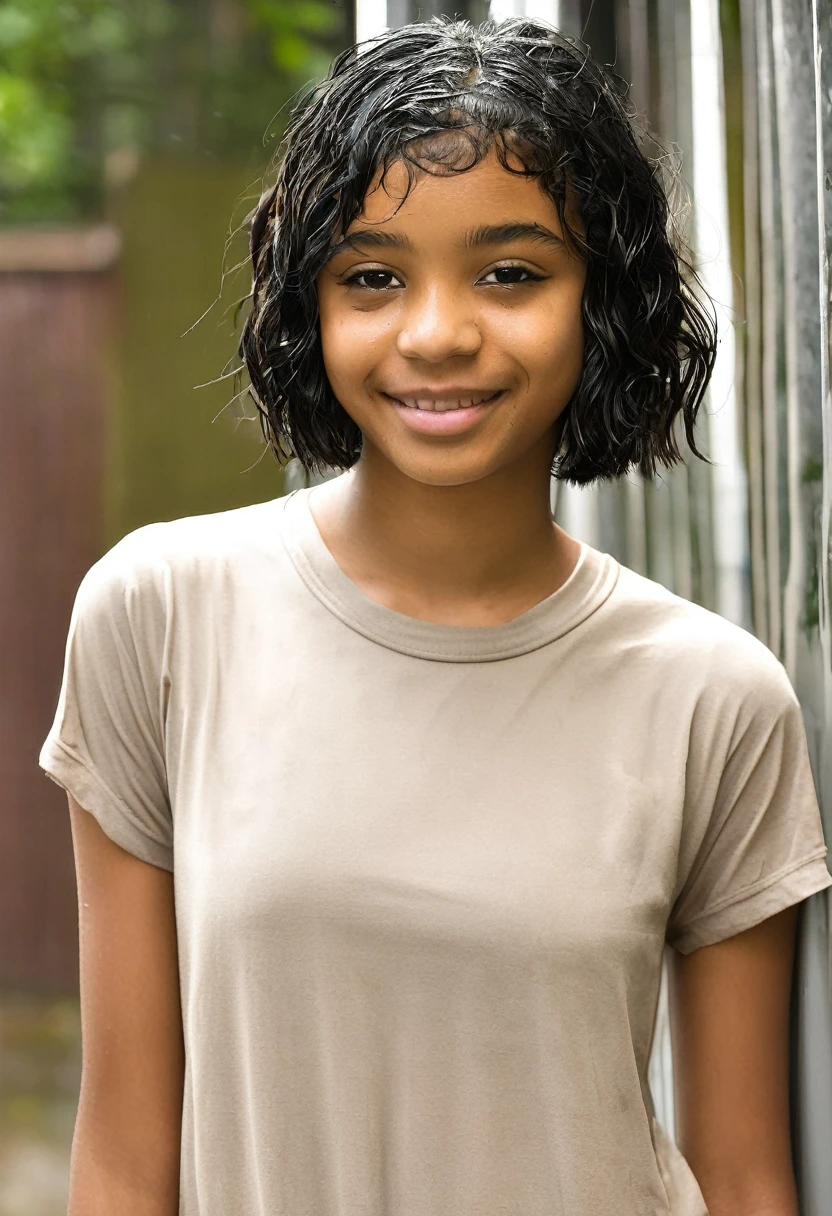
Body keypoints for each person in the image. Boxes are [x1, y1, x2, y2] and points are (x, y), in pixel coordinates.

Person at [39, 16, 832, 1216]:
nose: (436, 333)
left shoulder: (714, 696)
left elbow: (743, 1178)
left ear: (599, 299)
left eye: (510, 272)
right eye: (373, 276)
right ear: (312, 302)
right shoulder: (158, 617)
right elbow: (123, 1158)